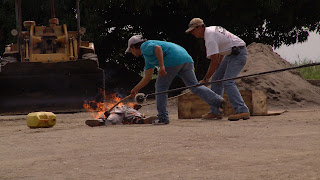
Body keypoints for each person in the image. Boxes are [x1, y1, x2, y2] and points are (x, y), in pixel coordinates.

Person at [126, 35, 226, 125]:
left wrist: (161, 66)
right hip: (186, 58)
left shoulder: (144, 46)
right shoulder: (148, 57)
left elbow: (158, 48)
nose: (132, 53)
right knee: (194, 86)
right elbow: (147, 78)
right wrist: (136, 89)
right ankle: (218, 100)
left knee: (161, 88)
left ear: (133, 47)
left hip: (172, 60)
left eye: (131, 51)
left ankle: (163, 118)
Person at [185, 18, 250, 121]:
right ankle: (215, 112)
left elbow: (214, 62)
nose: (192, 33)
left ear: (200, 27)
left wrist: (205, 79)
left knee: (227, 81)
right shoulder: (211, 30)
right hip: (231, 53)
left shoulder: (209, 38)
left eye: (193, 30)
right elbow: (221, 50)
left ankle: (242, 110)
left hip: (238, 53)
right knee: (216, 79)